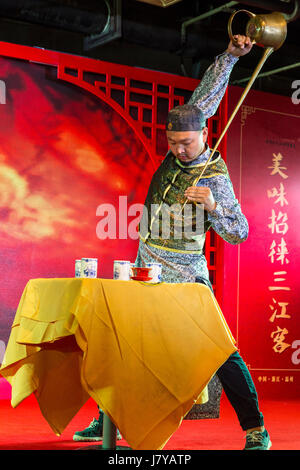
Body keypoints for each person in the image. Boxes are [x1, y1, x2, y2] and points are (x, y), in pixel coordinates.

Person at [73, 35, 271, 451]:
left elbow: (239, 232)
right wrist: (230, 57)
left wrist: (215, 206)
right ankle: (108, 420)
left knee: (220, 351)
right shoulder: (176, 149)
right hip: (146, 267)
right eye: (173, 143)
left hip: (186, 275)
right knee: (121, 343)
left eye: (187, 143)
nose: (179, 151)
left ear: (203, 135)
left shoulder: (212, 172)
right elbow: (204, 99)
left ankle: (256, 430)